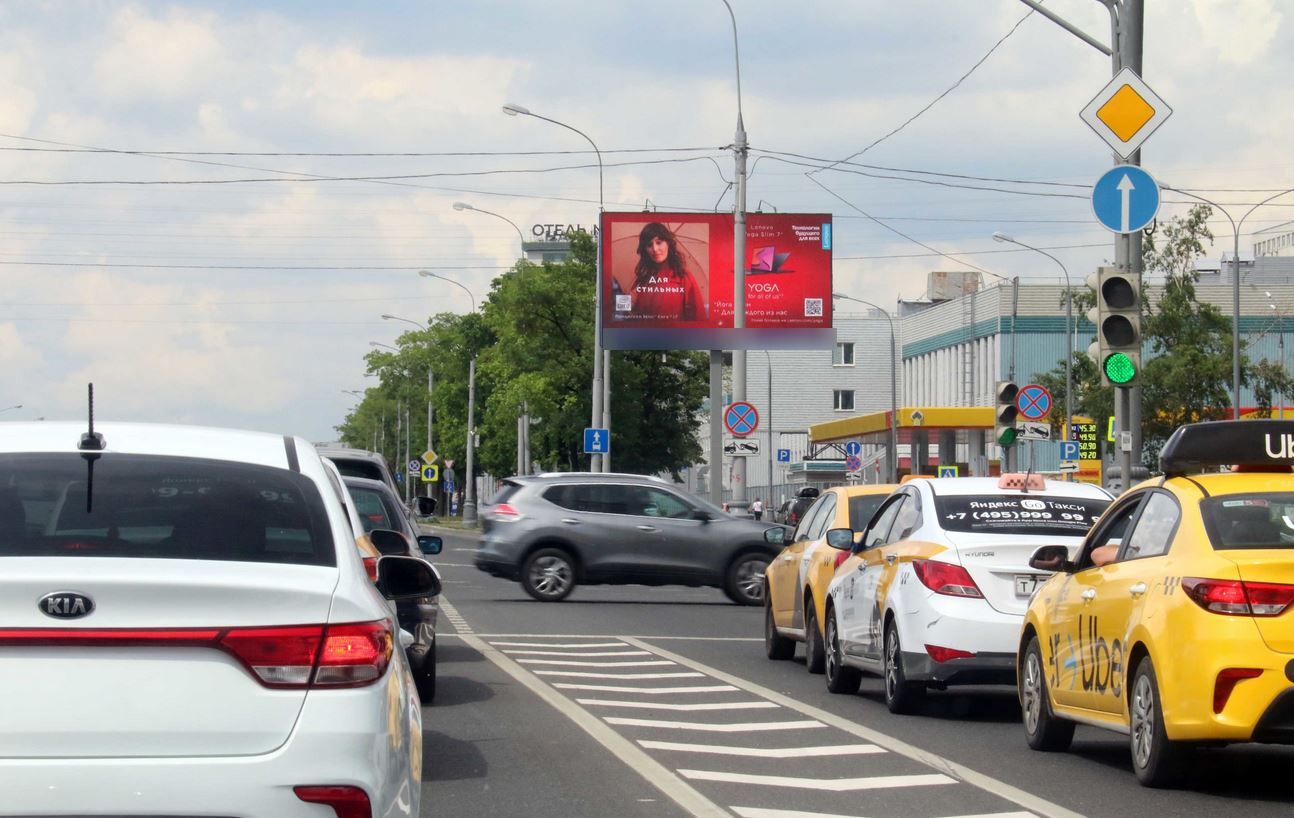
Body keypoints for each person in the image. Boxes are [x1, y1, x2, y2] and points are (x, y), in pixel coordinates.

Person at [625, 222, 706, 321]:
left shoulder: (683, 277)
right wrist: (627, 305)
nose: (655, 249)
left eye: (659, 242)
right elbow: (629, 317)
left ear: (668, 244)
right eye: (649, 245)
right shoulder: (643, 280)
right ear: (645, 249)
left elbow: (698, 316)